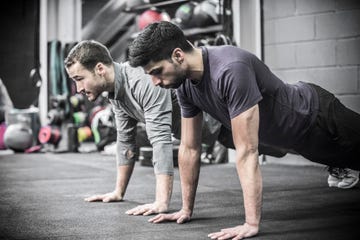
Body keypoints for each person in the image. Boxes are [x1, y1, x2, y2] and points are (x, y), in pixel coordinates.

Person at [128, 21, 360, 239]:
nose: (155, 82)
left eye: (157, 72)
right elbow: (189, 148)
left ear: (178, 56)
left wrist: (251, 223)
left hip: (318, 115)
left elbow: (247, 151)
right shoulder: (185, 86)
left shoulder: (230, 69)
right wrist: (185, 210)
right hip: (300, 141)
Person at [64, 40, 232, 216]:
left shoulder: (142, 80)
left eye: (79, 79)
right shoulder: (117, 94)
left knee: (260, 146)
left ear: (100, 69)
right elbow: (125, 141)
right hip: (210, 134)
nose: (78, 89)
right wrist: (118, 192)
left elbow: (160, 140)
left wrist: (161, 202)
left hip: (224, 123)